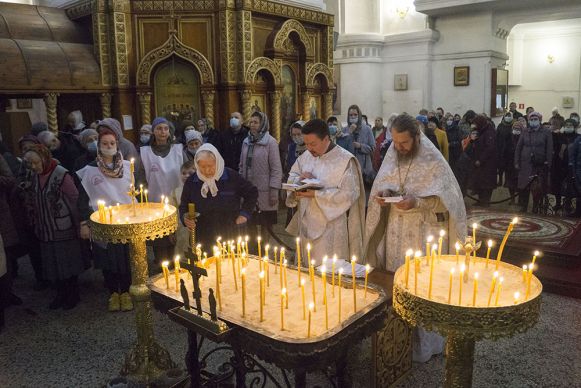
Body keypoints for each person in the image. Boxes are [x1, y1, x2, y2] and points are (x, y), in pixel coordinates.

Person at [363, 113, 466, 363]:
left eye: (404, 143)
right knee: (396, 284)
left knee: (421, 286)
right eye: (395, 143)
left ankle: (424, 344)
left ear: (417, 137)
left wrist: (416, 202)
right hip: (396, 232)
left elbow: (447, 203)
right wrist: (385, 193)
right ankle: (396, 339)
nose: (399, 148)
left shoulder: (434, 161)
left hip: (423, 235)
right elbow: (384, 183)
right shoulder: (393, 154)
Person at [286, 119, 366, 265]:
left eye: (313, 144)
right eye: (306, 144)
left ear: (326, 138)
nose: (309, 148)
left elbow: (349, 194)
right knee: (306, 270)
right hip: (306, 222)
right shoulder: (306, 156)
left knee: (329, 274)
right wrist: (299, 181)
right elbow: (292, 176)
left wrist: (316, 194)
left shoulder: (345, 160)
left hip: (332, 228)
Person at [77, 127, 133, 312]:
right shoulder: (89, 170)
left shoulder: (127, 167)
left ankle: (125, 292)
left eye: (112, 143)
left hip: (125, 221)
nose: (108, 146)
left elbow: (135, 194)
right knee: (107, 259)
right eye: (104, 143)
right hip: (101, 221)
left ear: (117, 145)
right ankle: (112, 293)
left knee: (125, 258)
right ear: (99, 146)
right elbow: (82, 200)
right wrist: (84, 222)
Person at [23, 145, 83, 309]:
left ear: (44, 158)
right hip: (46, 229)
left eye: (36, 162)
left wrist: (80, 225)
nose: (34, 167)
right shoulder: (34, 176)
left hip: (63, 228)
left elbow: (74, 200)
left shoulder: (61, 174)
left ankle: (73, 295)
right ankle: (60, 294)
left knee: (68, 264)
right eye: (30, 164)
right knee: (54, 265)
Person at [180, 144, 258, 251]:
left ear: (217, 162)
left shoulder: (231, 176)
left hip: (230, 232)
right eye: (202, 167)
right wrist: (185, 218)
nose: (207, 171)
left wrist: (244, 214)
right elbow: (184, 205)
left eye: (210, 166)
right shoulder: (192, 181)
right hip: (203, 234)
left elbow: (252, 192)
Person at [142, 117, 185, 262]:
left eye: (165, 129)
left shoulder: (178, 150)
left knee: (178, 239)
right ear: (153, 131)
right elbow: (141, 178)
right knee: (160, 242)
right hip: (156, 204)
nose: (162, 132)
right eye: (159, 128)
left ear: (170, 131)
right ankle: (162, 268)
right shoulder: (145, 152)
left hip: (177, 201)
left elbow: (187, 170)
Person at [239, 111, 283, 240]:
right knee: (250, 223)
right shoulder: (246, 141)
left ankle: (265, 253)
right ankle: (253, 252)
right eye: (251, 122)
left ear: (263, 124)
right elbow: (241, 165)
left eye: (256, 122)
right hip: (249, 190)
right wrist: (241, 187)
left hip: (265, 191)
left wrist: (274, 191)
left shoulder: (271, 142)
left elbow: (276, 169)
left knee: (266, 225)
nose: (252, 125)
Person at [514, 111, 553, 213]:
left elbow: (549, 149)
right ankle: (523, 206)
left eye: (535, 119)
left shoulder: (546, 132)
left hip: (539, 164)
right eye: (531, 119)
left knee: (537, 188)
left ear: (539, 120)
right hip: (525, 163)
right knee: (524, 186)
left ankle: (536, 207)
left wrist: (548, 162)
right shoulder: (525, 131)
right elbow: (519, 147)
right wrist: (516, 162)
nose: (533, 121)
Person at [467, 115, 497, 206]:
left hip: (487, 163)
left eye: (475, 123)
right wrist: (472, 140)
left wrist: (480, 160)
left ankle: (485, 201)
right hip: (478, 162)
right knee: (479, 182)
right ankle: (480, 200)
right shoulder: (480, 131)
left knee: (486, 184)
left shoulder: (489, 132)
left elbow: (489, 148)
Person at [550, 118, 577, 213]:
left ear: (574, 127)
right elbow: (553, 146)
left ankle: (568, 205)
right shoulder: (559, 136)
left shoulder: (577, 137)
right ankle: (558, 203)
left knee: (570, 186)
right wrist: (554, 133)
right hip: (558, 164)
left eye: (570, 126)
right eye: (566, 126)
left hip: (572, 165)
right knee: (557, 184)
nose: (568, 127)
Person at [344, 105, 375, 185]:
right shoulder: (345, 130)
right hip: (350, 168)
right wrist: (349, 133)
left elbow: (372, 147)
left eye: (355, 115)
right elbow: (342, 149)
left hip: (364, 168)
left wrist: (361, 146)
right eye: (351, 115)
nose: (353, 117)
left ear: (359, 115)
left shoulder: (367, 129)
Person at [171, 160, 196, 256]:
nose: (186, 176)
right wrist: (171, 232)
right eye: (184, 173)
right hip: (181, 229)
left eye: (190, 173)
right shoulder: (175, 192)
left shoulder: (202, 190)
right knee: (182, 253)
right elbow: (172, 214)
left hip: (198, 228)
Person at [496, 112, 515, 186]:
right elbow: (497, 136)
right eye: (506, 116)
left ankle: (507, 181)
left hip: (510, 149)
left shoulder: (514, 125)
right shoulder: (500, 126)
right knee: (500, 166)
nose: (508, 117)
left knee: (508, 167)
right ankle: (500, 180)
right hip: (501, 148)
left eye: (509, 116)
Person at [568, 125, 581, 217]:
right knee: (579, 191)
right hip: (579, 169)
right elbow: (573, 154)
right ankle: (578, 211)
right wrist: (572, 165)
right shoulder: (579, 140)